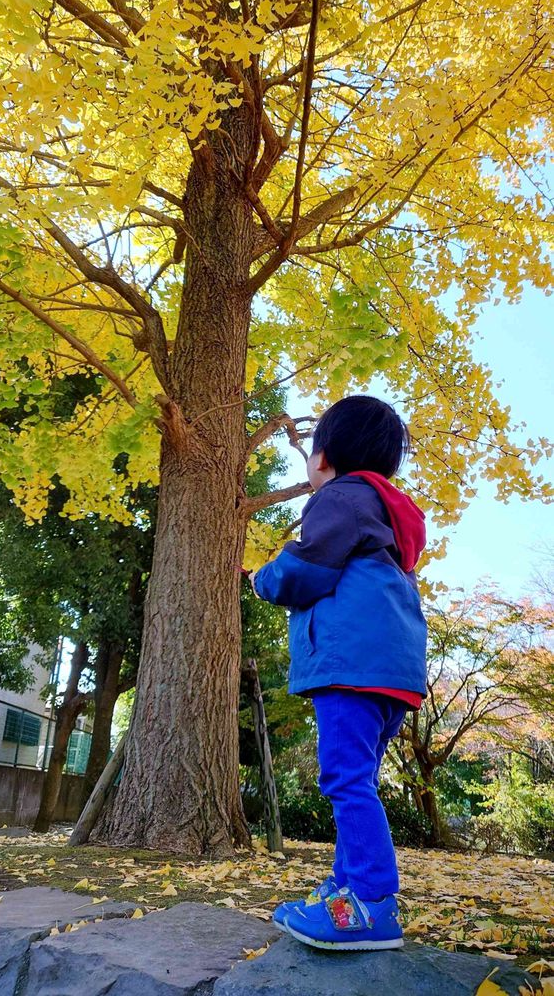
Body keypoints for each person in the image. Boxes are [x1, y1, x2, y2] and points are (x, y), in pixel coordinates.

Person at [249, 395, 427, 951]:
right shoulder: (387, 515)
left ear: (322, 457)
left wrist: (261, 579)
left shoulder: (339, 498)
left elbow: (303, 572)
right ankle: (345, 890)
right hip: (392, 674)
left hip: (353, 667)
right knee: (357, 779)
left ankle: (371, 903)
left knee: (346, 781)